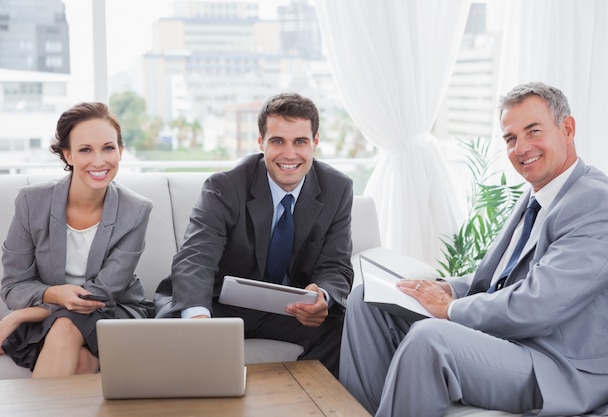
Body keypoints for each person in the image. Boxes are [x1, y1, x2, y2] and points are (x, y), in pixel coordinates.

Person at [339, 82, 608, 416]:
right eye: (511, 138)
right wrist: (447, 287)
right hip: (517, 342)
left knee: (430, 340)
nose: (521, 148)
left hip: (561, 365)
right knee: (366, 301)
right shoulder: (538, 194)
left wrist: (450, 309)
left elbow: (537, 304)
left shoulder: (596, 204)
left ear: (567, 128)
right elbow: (502, 278)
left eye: (533, 131)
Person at [154, 92, 353, 377]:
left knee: (342, 326)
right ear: (260, 143)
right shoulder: (224, 186)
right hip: (220, 302)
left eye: (300, 141)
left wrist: (322, 295)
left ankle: (309, 405)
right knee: (173, 328)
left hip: (289, 309)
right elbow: (196, 257)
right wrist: (199, 320)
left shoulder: (337, 189)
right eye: (277, 141)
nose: (289, 154)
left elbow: (336, 265)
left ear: (315, 142)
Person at [0, 102, 154, 377]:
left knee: (65, 327)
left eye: (108, 148)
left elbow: (101, 295)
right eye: (85, 150)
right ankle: (93, 366)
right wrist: (53, 294)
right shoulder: (31, 202)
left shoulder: (136, 210)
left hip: (113, 313)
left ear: (120, 150)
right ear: (67, 155)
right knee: (79, 362)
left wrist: (21, 315)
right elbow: (14, 286)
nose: (99, 161)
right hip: (52, 321)